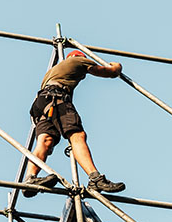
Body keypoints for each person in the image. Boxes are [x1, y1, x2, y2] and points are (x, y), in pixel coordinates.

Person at [23, 50, 126, 197]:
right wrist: (117, 67)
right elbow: (109, 72)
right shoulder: (77, 61)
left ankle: (30, 179)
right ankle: (95, 178)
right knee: (77, 135)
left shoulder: (52, 72)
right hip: (57, 98)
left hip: (41, 103)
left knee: (45, 141)